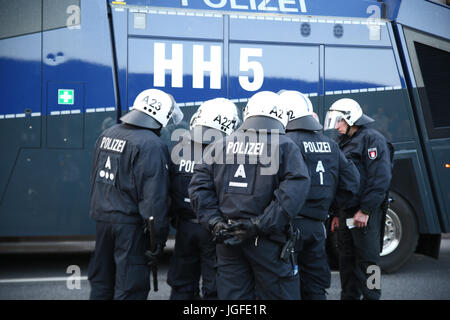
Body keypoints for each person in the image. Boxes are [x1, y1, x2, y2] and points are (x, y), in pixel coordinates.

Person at [188, 91, 311, 300]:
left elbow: (199, 187)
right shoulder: (286, 146)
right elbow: (293, 193)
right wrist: (258, 225)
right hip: (268, 242)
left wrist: (216, 223)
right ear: (280, 115)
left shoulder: (221, 144)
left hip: (227, 239)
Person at [87, 88, 183, 300]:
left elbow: (96, 179)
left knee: (103, 282)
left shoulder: (107, 134)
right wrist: (157, 239)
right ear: (160, 116)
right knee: (131, 287)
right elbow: (153, 198)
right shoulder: (151, 144)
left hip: (103, 221)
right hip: (130, 227)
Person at [279, 90, 360, 300]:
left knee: (286, 284)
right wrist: (331, 207)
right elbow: (352, 182)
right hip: (317, 226)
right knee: (315, 285)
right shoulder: (331, 144)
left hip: (287, 226)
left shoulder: (284, 143)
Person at [167, 98, 240, 300]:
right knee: (214, 286)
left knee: (182, 284)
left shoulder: (179, 148)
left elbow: (169, 189)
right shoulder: (228, 151)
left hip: (185, 227)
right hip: (214, 227)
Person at [324, 98, 393, 300]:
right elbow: (340, 181)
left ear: (351, 118)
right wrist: (336, 213)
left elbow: (380, 179)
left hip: (365, 213)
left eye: (339, 121)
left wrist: (366, 210)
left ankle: (373, 296)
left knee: (369, 262)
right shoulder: (342, 142)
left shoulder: (373, 140)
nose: (336, 126)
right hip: (346, 212)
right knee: (346, 260)